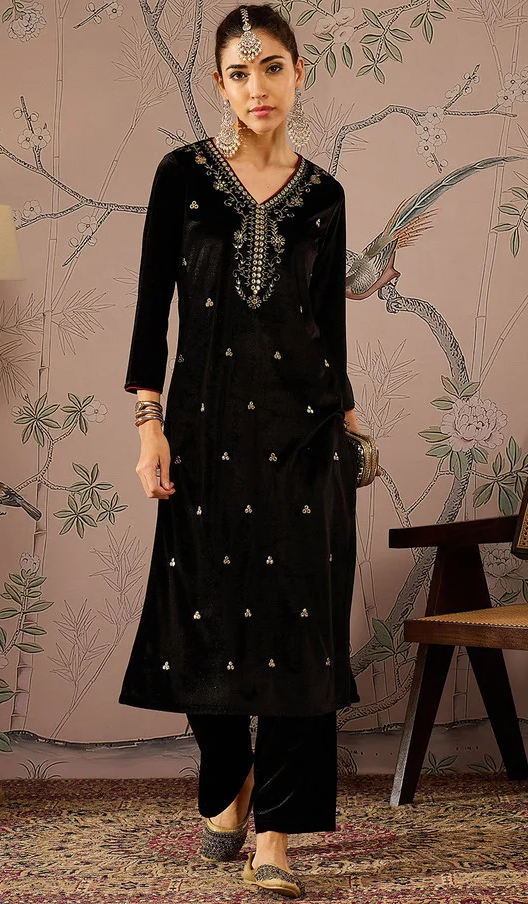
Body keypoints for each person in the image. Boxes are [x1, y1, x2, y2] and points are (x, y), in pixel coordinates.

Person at [120, 4, 367, 897]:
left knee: (302, 637)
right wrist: (149, 423)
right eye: (238, 72)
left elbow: (327, 326)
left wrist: (348, 426)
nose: (256, 88)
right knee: (201, 622)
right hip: (205, 432)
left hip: (305, 438)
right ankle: (229, 781)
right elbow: (152, 307)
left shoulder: (325, 195)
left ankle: (277, 837)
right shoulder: (182, 177)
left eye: (271, 69)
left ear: (300, 75)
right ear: (219, 85)